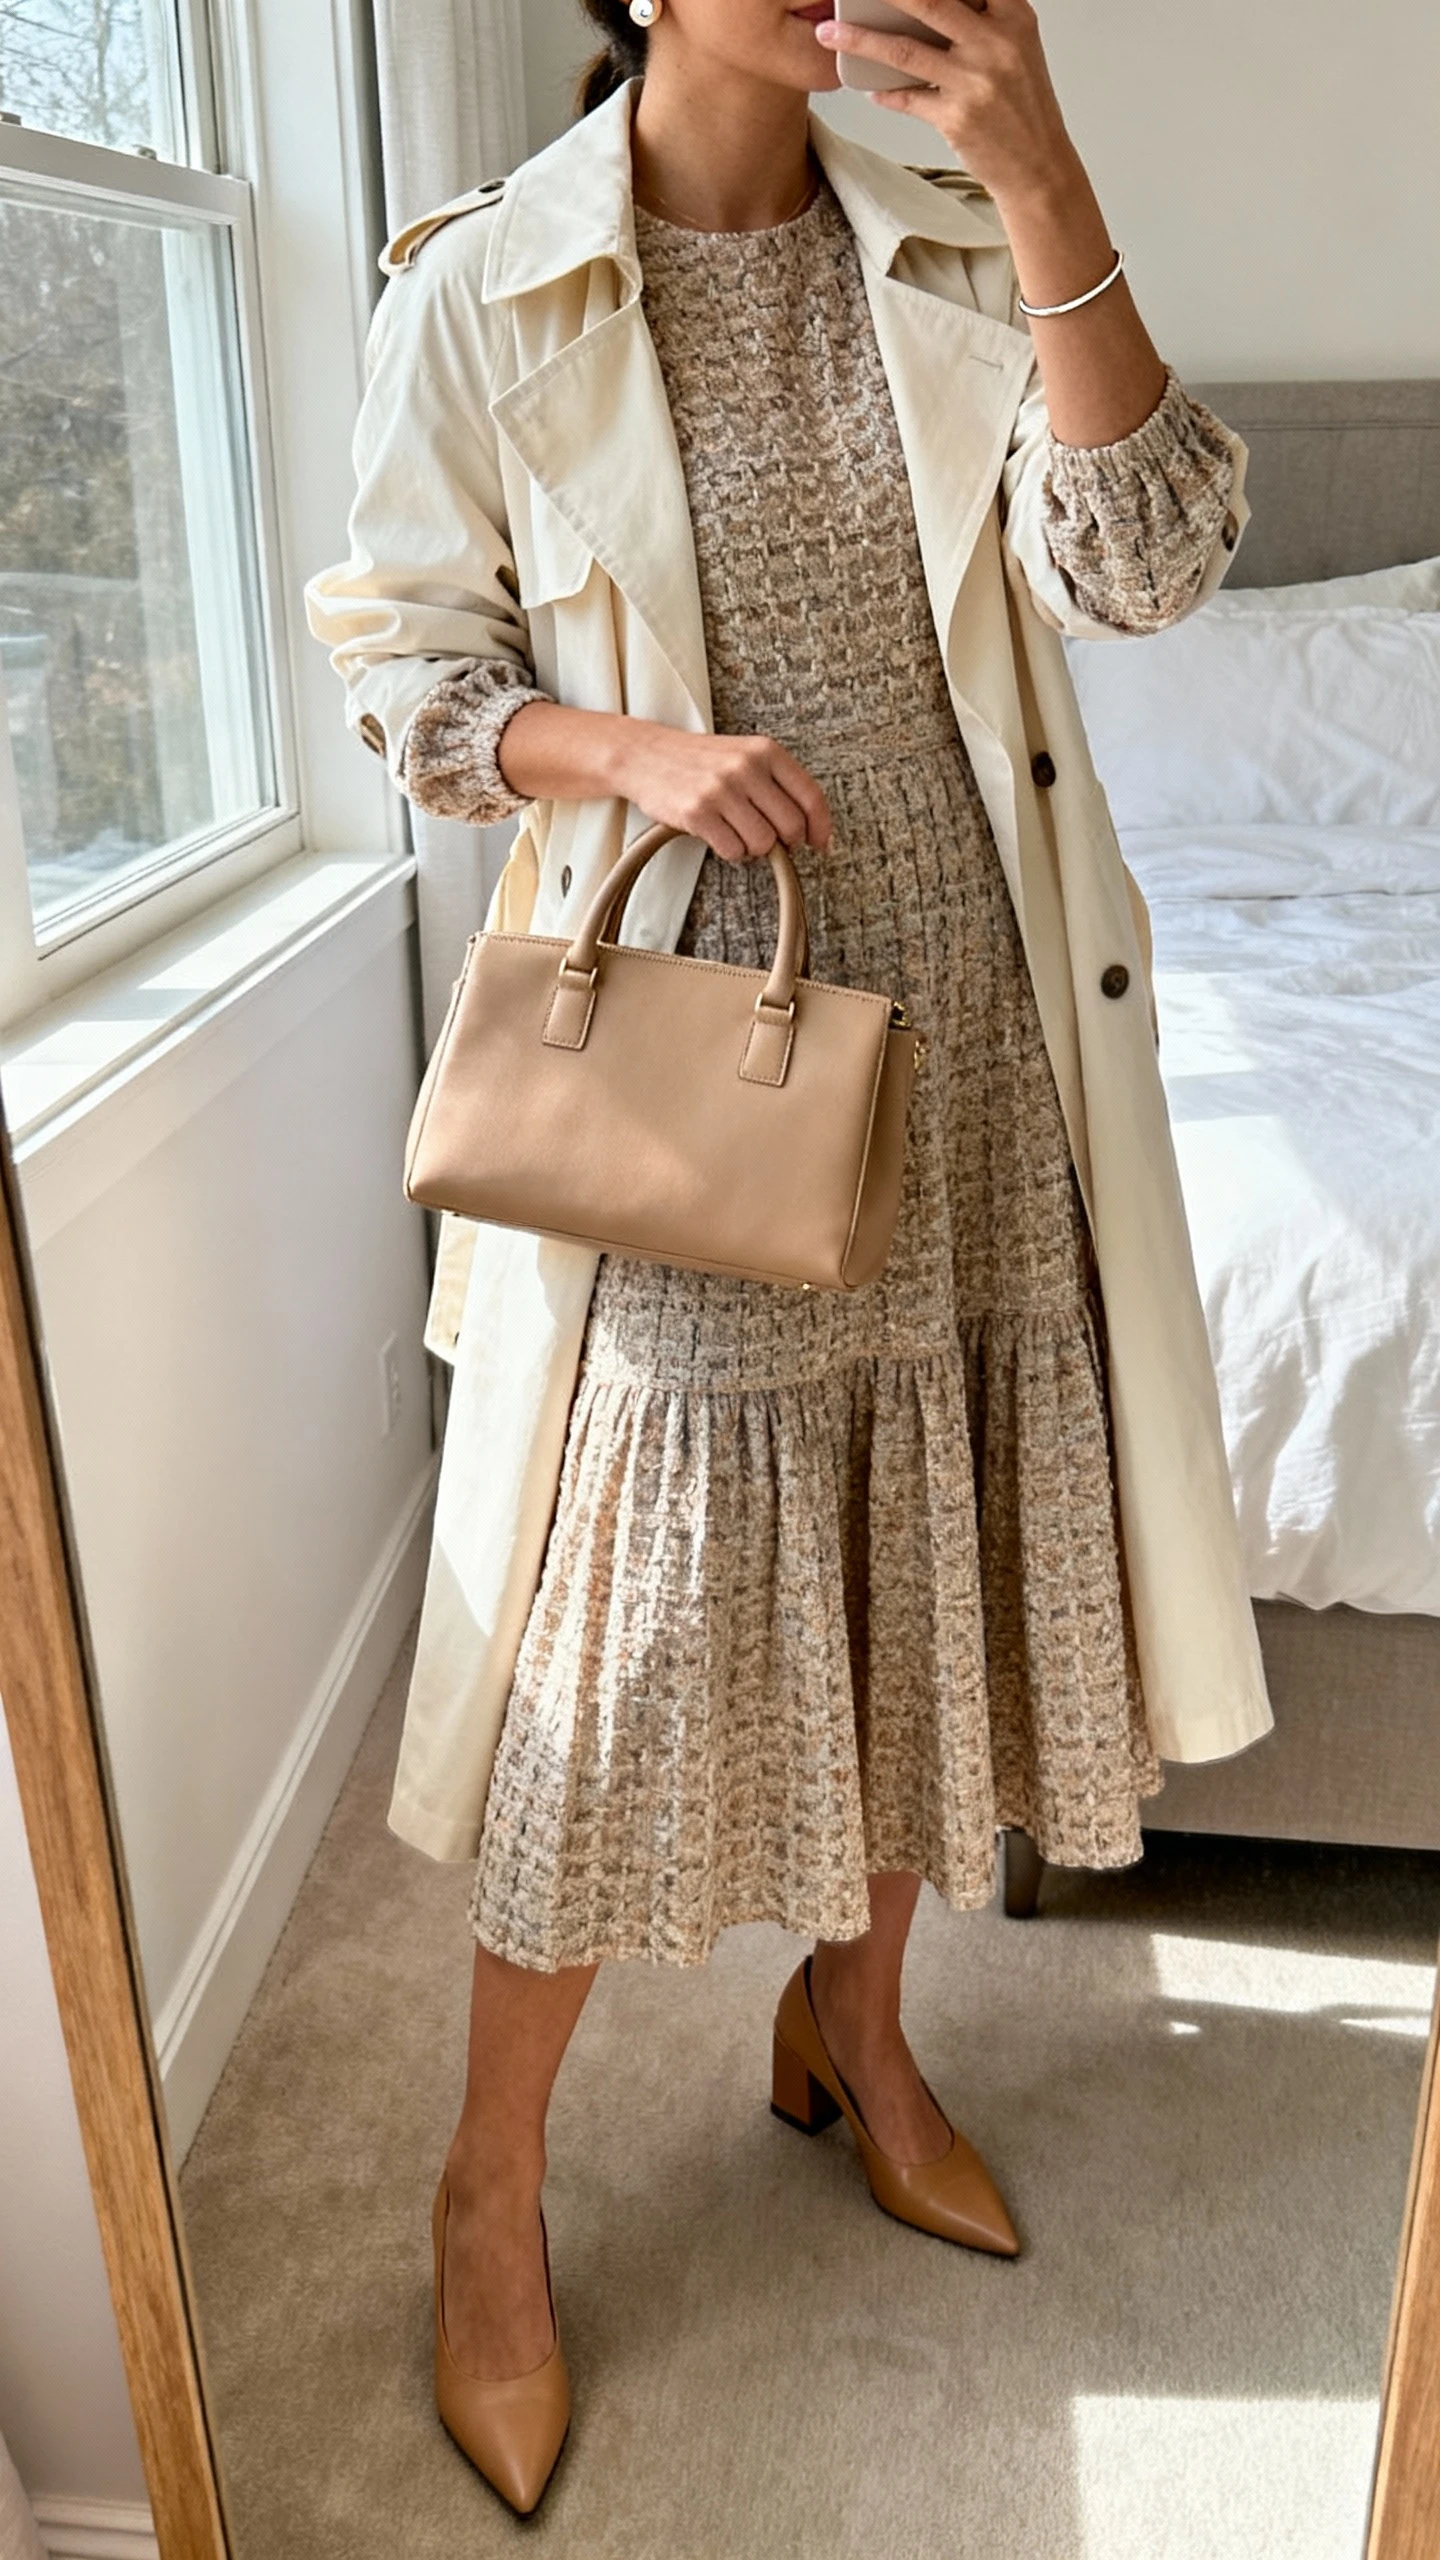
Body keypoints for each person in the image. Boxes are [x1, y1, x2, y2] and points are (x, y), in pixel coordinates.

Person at [307, 0, 1271, 2515]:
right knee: (618, 1674)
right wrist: (623, 752)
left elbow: (1150, 571)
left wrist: (1050, 167)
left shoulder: (958, 230)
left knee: (910, 1582)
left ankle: (858, 2031)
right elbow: (405, 672)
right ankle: (484, 2189)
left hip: (978, 1025)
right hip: (702, 1053)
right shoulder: (484, 286)